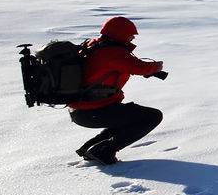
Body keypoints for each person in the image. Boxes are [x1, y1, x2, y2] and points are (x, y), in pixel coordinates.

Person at [70, 16, 166, 165]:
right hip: (93, 111)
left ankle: (89, 148)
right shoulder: (113, 52)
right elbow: (139, 67)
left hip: (83, 109)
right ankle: (104, 150)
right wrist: (156, 67)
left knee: (125, 118)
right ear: (120, 33)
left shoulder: (95, 45)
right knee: (152, 117)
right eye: (130, 35)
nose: (132, 38)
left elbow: (120, 66)